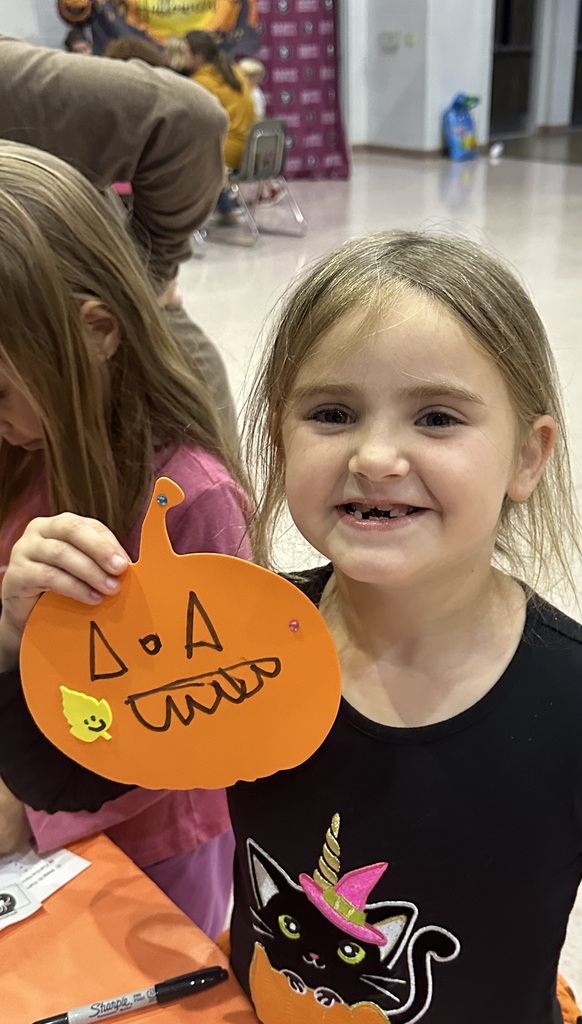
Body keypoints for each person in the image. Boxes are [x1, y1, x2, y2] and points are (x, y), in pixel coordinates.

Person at [0, 232, 582, 1022]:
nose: (375, 456)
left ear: (528, 455)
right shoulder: (243, 645)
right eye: (333, 413)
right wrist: (24, 640)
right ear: (279, 440)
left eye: (438, 417)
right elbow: (66, 778)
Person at [0, 141, 254, 940]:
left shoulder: (194, 498)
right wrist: (10, 623)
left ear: (98, 332)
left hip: (150, 853)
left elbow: (208, 723)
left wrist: (31, 814)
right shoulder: (18, 451)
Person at [0, 35, 238, 438]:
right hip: (43, 388)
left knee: (193, 491)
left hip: (119, 377)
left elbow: (187, 119)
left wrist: (143, 280)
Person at [185, 30, 256, 221]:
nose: (182, 57)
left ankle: (182, 219)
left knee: (184, 153)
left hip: (228, 152)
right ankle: (226, 209)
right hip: (252, 148)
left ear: (198, 56)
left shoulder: (201, 82)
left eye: (185, 52)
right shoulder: (235, 71)